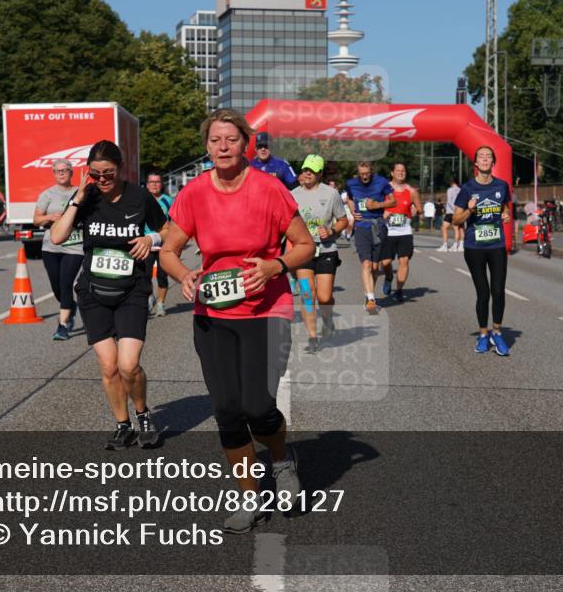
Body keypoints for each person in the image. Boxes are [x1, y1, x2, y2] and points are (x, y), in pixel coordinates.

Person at [159, 108, 314, 534]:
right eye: (215, 140)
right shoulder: (193, 193)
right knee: (227, 410)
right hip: (213, 312)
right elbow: (168, 250)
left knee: (259, 407)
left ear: (245, 143)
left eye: (231, 139)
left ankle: (281, 460)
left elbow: (305, 245)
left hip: (266, 310)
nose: (223, 147)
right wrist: (184, 274)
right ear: (206, 146)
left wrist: (274, 265)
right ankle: (249, 495)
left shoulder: (269, 189)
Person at [50, 140, 166, 450]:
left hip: (131, 290)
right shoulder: (86, 198)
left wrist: (150, 238)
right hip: (93, 291)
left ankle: (142, 415)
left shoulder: (139, 197)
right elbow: (57, 237)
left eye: (108, 174)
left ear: (121, 169)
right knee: (109, 366)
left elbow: (169, 230)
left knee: (129, 365)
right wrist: (76, 200)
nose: (102, 180)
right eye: (95, 174)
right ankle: (122, 425)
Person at [452, 147, 512, 356]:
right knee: (483, 292)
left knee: (498, 290)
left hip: (496, 245)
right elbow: (455, 220)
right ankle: (483, 334)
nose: (485, 159)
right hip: (474, 247)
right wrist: (470, 210)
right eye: (481, 157)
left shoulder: (502, 186)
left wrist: (505, 214)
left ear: (493, 162)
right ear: (476, 163)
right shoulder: (467, 189)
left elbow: (505, 206)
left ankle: (497, 332)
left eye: (488, 156)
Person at [291, 154, 348, 353]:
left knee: (324, 297)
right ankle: (313, 338)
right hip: (303, 251)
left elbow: (343, 220)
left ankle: (328, 319)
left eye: (312, 171)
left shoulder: (331, 194)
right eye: (306, 169)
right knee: (307, 295)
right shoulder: (292, 195)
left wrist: (332, 231)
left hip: (326, 250)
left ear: (320, 174)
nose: (307, 173)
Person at [34, 159, 84, 340]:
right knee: (56, 286)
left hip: (75, 246)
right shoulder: (47, 195)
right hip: (51, 246)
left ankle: (62, 325)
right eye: (58, 171)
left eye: (65, 170)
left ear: (71, 172)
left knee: (65, 282)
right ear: (54, 174)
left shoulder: (80, 193)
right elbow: (36, 220)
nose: (62, 173)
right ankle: (70, 305)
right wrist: (49, 216)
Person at [344, 160, 395, 314]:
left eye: (367, 174)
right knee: (366, 264)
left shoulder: (382, 182)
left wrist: (377, 206)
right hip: (362, 227)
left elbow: (393, 201)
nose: (364, 177)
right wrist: (353, 212)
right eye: (361, 174)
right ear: (357, 172)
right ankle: (371, 298)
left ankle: (369, 292)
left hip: (378, 226)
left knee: (374, 267)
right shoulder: (351, 183)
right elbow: (349, 198)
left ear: (371, 171)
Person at [379, 162, 422, 302]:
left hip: (405, 232)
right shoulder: (383, 189)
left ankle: (398, 290)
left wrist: (417, 210)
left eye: (403, 170)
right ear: (392, 173)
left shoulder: (411, 191)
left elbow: (420, 208)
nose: (401, 173)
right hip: (388, 231)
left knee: (404, 261)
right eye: (398, 170)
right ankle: (389, 277)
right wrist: (383, 212)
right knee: (385, 263)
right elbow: (374, 205)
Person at [143, 172, 174, 317]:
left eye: (157, 182)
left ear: (161, 184)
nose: (154, 185)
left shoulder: (168, 200)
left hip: (164, 245)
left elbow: (175, 222)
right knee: (145, 275)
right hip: (146, 243)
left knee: (162, 276)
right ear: (147, 184)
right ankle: (150, 298)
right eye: (151, 182)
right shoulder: (141, 199)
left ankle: (160, 304)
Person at [439, 178, 463, 252]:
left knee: (444, 227)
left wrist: (454, 210)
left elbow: (449, 201)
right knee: (459, 228)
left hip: (450, 211)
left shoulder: (450, 190)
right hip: (460, 211)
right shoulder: (460, 189)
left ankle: (445, 245)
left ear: (451, 182)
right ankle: (458, 245)